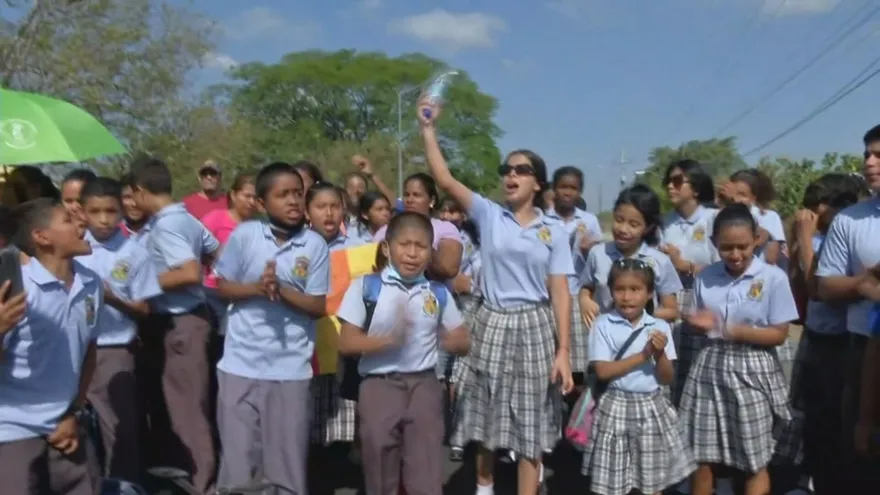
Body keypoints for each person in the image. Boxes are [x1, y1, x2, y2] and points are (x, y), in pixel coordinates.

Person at [418, 99, 574, 495]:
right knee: (484, 409)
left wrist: (564, 351)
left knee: (531, 419)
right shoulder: (488, 214)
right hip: (491, 319)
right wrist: (429, 130)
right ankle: (484, 486)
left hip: (535, 325)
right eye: (507, 169)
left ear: (538, 184)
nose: (511, 175)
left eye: (522, 170)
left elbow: (560, 291)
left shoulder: (555, 231)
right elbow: (445, 179)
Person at [213, 161, 329, 494]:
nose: (293, 201)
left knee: (286, 468)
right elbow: (222, 287)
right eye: (283, 195)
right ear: (262, 203)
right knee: (239, 465)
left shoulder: (314, 245)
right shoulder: (246, 235)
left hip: (290, 370)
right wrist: (257, 288)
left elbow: (317, 307)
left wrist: (282, 290)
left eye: (298, 193)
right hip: (240, 367)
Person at [337, 211, 471, 495]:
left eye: (421, 246)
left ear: (431, 253)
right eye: (404, 244)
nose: (412, 253)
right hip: (379, 386)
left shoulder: (437, 293)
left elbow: (463, 341)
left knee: (426, 471)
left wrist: (452, 340)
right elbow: (346, 342)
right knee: (380, 467)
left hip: (424, 386)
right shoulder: (367, 287)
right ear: (387, 248)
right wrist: (386, 340)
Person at [679, 204, 798, 495]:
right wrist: (695, 322)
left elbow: (779, 334)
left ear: (756, 239)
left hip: (754, 370)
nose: (735, 255)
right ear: (714, 244)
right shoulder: (706, 277)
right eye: (726, 248)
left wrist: (732, 330)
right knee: (703, 457)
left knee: (754, 459)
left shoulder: (773, 278)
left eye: (742, 247)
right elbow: (698, 321)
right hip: (710, 370)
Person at [129, 157, 220, 493]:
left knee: (187, 411)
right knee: (183, 406)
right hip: (184, 321)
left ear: (140, 191)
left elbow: (188, 271)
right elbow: (212, 249)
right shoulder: (186, 219)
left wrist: (140, 284)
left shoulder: (167, 226)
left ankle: (201, 483)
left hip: (181, 323)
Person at [0, 198, 102, 494]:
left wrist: (73, 411)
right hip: (13, 428)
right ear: (41, 237)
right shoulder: (17, 291)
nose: (82, 223)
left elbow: (89, 351)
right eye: (68, 220)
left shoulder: (91, 284)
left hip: (66, 425)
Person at [583, 258, 695, 495]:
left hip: (650, 407)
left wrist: (660, 353)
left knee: (651, 481)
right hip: (615, 405)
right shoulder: (602, 324)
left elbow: (666, 378)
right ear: (611, 291)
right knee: (614, 482)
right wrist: (644, 355)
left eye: (635, 289)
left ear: (649, 293)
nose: (627, 297)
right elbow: (603, 370)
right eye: (620, 289)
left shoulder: (659, 326)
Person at [77, 177, 162, 483]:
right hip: (74, 349)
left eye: (110, 211)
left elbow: (144, 309)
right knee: (77, 425)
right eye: (95, 211)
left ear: (122, 210)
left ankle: (124, 485)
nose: (103, 219)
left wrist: (112, 298)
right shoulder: (73, 249)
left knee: (118, 426)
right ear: (82, 212)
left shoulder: (134, 253)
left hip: (113, 350)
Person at [784, 174, 863, 494]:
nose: (811, 215)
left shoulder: (846, 241)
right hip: (815, 337)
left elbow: (818, 290)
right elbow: (798, 287)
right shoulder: (815, 238)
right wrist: (798, 242)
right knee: (812, 418)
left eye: (818, 207)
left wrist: (805, 241)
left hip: (841, 342)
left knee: (837, 421)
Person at [815, 123, 880, 493]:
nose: (869, 162)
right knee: (862, 455)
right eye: (867, 154)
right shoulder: (850, 220)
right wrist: (862, 284)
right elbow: (825, 286)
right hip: (862, 351)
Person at [655, 160, 719, 408]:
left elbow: (725, 266)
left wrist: (685, 265)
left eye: (677, 181)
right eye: (668, 182)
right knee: (669, 367)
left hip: (703, 299)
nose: (670, 187)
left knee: (697, 371)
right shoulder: (664, 222)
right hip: (669, 300)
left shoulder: (714, 219)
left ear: (696, 188)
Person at [579, 185, 682, 326]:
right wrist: (585, 300)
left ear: (648, 228)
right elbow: (587, 287)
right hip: (606, 335)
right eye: (619, 220)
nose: (623, 229)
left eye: (633, 225)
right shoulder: (597, 254)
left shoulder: (660, 261)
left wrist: (636, 314)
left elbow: (671, 311)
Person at [545, 166, 602, 382]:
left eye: (573, 188)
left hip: (578, 296)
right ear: (554, 189)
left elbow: (598, 262)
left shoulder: (589, 221)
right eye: (563, 187)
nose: (567, 192)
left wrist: (590, 250)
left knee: (579, 361)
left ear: (580, 191)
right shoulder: (544, 220)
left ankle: (576, 396)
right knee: (551, 355)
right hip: (549, 296)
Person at [373, 173, 463, 281]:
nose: (410, 200)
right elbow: (374, 266)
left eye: (416, 195)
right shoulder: (386, 231)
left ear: (432, 200)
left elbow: (449, 269)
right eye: (406, 195)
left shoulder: (446, 229)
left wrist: (423, 250)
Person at [201, 173, 257, 322]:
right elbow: (196, 249)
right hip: (212, 292)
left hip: (242, 294)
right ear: (233, 195)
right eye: (247, 196)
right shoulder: (215, 219)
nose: (251, 202)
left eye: (255, 198)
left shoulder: (258, 228)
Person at [119, 173, 147, 237]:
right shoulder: (110, 234)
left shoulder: (161, 228)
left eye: (140, 197)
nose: (134, 204)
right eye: (128, 197)